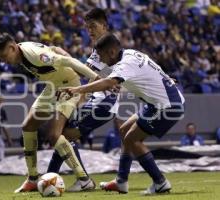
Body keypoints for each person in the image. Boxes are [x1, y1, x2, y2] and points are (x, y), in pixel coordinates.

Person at [60, 33, 185, 195]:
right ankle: (121, 181)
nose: (102, 60)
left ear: (112, 52)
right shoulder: (131, 53)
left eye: (103, 55)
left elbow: (109, 82)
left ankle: (160, 182)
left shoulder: (126, 63)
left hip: (167, 106)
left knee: (131, 139)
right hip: (158, 103)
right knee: (124, 130)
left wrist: (77, 90)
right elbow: (154, 69)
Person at [0, 33, 99, 193]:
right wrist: (57, 50)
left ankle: (85, 180)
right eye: (0, 58)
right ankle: (33, 178)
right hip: (51, 87)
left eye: (4, 56)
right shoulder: (22, 52)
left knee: (53, 135)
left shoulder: (34, 55)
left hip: (68, 87)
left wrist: (96, 78)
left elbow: (68, 61)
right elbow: (53, 50)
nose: (4, 60)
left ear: (13, 47)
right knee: (28, 126)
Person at [46, 8, 121, 186]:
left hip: (103, 102)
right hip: (102, 102)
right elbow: (84, 72)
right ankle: (49, 177)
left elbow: (84, 75)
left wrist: (63, 54)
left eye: (93, 26)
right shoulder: (106, 47)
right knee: (63, 137)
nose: (90, 31)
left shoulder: (104, 49)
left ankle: (81, 180)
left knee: (62, 136)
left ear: (104, 25)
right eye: (87, 28)